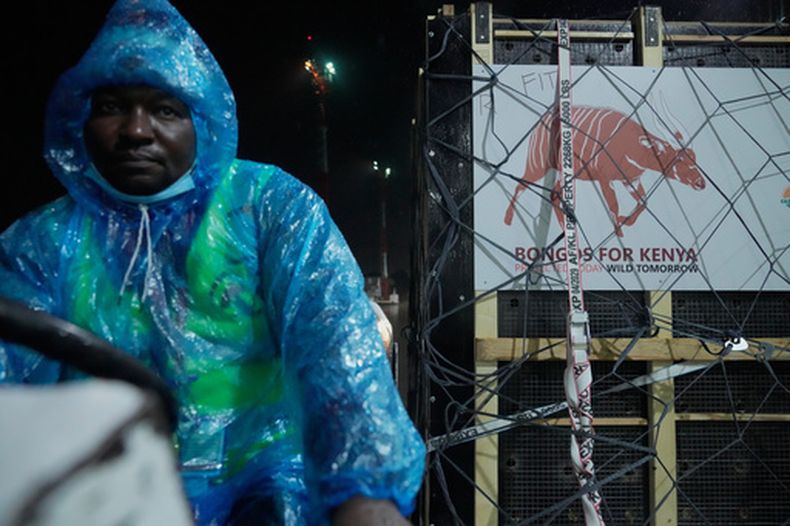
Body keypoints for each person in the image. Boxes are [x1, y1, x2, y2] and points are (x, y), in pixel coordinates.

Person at [0, 0, 425, 524]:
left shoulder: (269, 206)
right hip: (103, 494)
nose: (136, 131)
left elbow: (334, 343)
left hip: (264, 491)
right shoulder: (41, 243)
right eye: (112, 107)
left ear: (204, 120)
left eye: (165, 110)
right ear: (80, 118)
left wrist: (366, 492)